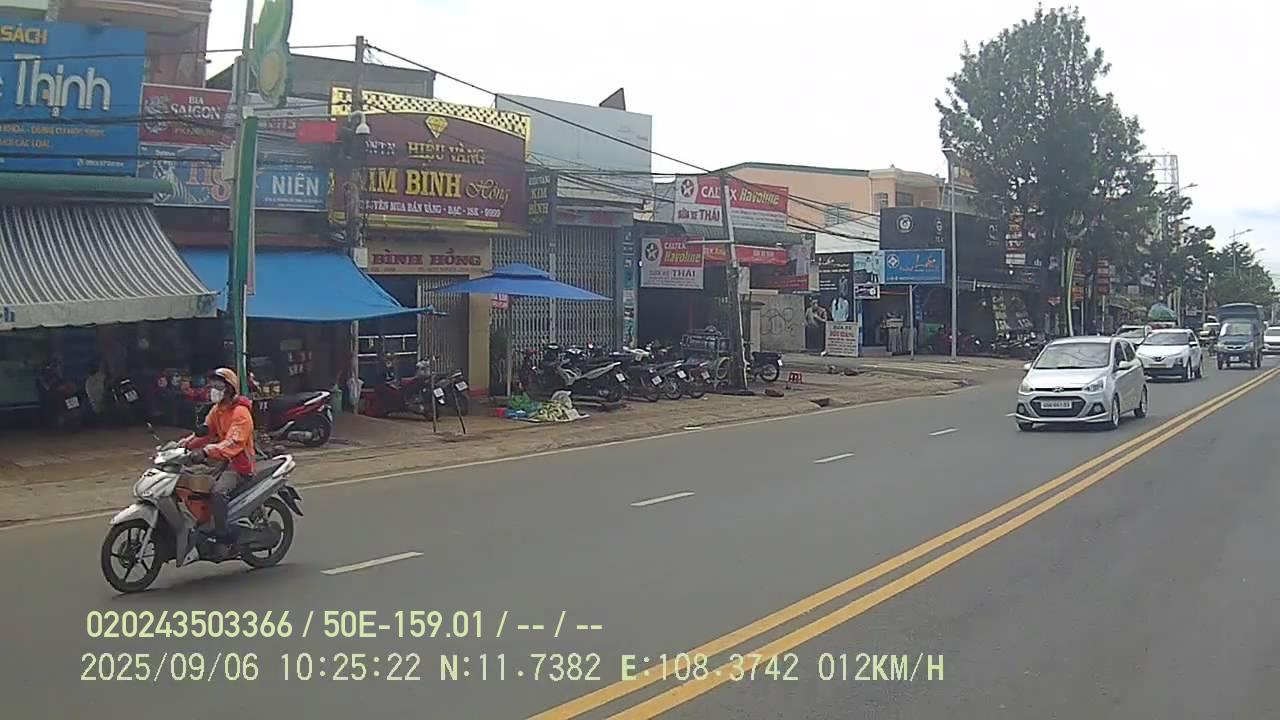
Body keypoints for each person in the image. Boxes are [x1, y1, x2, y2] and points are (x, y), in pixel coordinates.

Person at [181, 368, 255, 548]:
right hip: (221, 461)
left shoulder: (240, 413)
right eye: (212, 384)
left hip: (239, 466)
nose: (213, 388)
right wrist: (183, 445)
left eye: (218, 385)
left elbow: (233, 443)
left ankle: (223, 534)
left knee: (218, 492)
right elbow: (205, 433)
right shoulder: (217, 410)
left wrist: (206, 451)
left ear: (229, 388)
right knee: (192, 481)